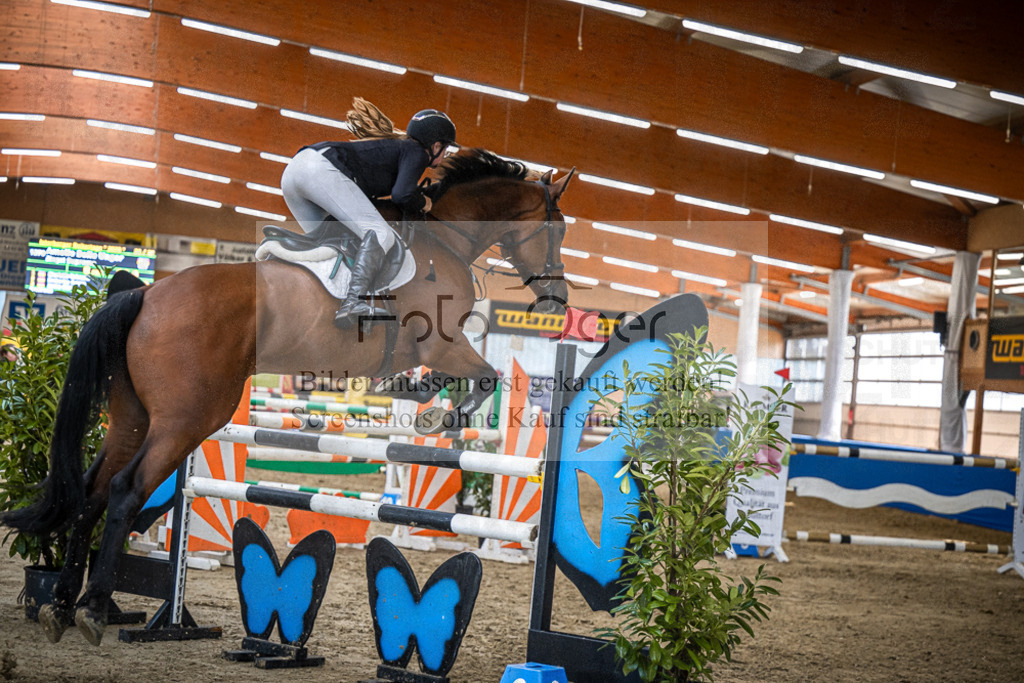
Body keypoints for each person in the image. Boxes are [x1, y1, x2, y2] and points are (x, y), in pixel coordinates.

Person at [280, 98, 457, 329]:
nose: (444, 154)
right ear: (435, 146)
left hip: (294, 173)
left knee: (331, 246)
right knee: (381, 235)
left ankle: (315, 303)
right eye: (445, 148)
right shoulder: (417, 152)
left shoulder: (400, 149)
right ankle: (352, 303)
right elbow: (402, 195)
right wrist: (423, 202)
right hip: (319, 170)